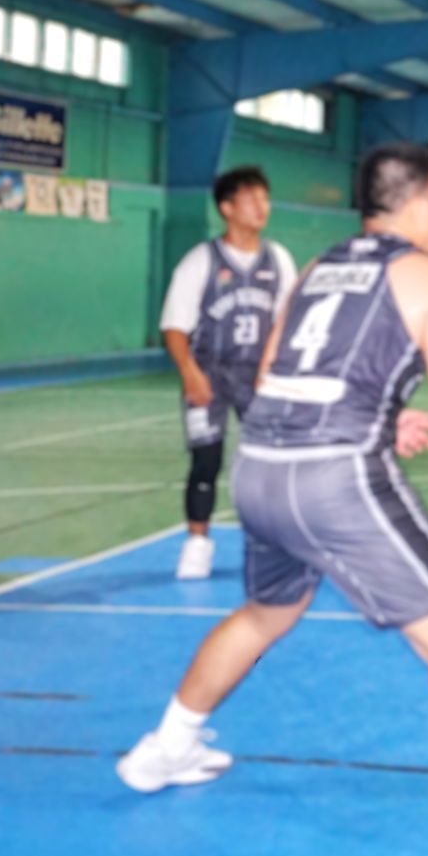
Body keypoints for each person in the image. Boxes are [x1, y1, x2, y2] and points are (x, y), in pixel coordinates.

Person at [118, 143, 428, 856]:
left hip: (262, 468)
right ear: (414, 201)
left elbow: (271, 374)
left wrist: (377, 420)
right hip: (336, 478)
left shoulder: (316, 267)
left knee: (265, 612)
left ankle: (164, 746)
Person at [159, 166, 296, 580]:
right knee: (206, 459)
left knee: (270, 460)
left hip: (257, 374)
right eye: (251, 199)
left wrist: (273, 372)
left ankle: (273, 541)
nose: (261, 208)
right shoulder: (201, 261)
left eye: (265, 199)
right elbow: (175, 326)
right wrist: (189, 373)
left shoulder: (278, 260)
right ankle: (197, 544)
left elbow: (285, 322)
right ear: (227, 208)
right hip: (209, 372)